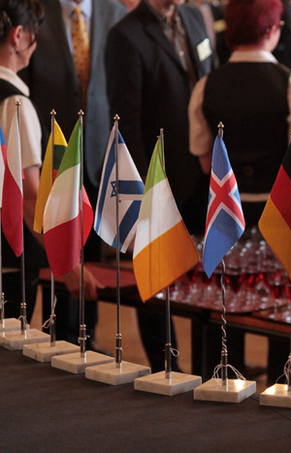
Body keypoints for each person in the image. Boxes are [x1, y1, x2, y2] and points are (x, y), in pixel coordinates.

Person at [188, 0, 291, 385]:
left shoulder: (206, 85)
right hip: (280, 213)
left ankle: (219, 382)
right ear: (273, 29)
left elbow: (203, 160)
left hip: (223, 212)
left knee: (224, 304)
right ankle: (283, 387)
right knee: (283, 307)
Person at [105, 0, 214, 372]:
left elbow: (208, 82)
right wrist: (142, 193)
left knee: (208, 276)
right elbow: (127, 121)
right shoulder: (124, 36)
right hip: (158, 179)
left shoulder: (194, 18)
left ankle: (211, 364)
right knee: (155, 279)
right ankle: (166, 368)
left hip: (203, 171)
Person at [19, 0, 126, 350]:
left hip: (99, 153)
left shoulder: (115, 13)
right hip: (49, 155)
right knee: (55, 249)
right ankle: (59, 338)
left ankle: (85, 336)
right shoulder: (34, 11)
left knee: (91, 252)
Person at [0, 0, 99, 324]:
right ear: (17, 36)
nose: (36, 42)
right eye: (34, 33)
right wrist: (68, 266)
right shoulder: (15, 103)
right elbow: (28, 196)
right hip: (9, 259)